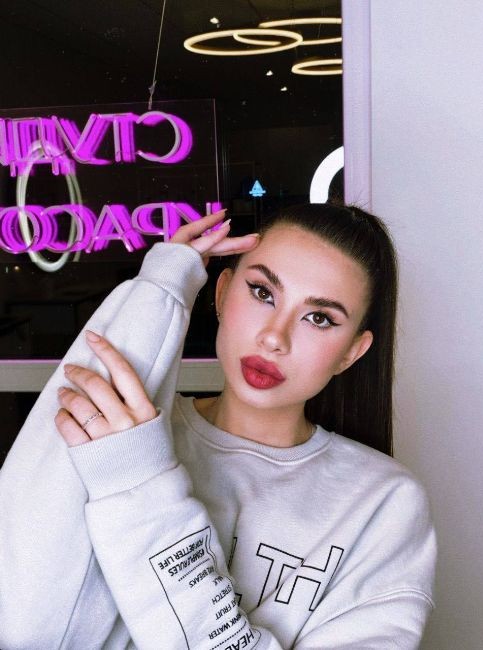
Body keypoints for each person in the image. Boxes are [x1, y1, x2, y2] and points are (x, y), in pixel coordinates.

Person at [0, 203, 437, 649]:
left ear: (351, 352)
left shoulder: (383, 505)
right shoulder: (110, 432)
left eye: (319, 318)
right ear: (223, 292)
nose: (274, 337)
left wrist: (140, 484)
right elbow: (26, 623)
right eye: (263, 292)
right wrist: (158, 292)